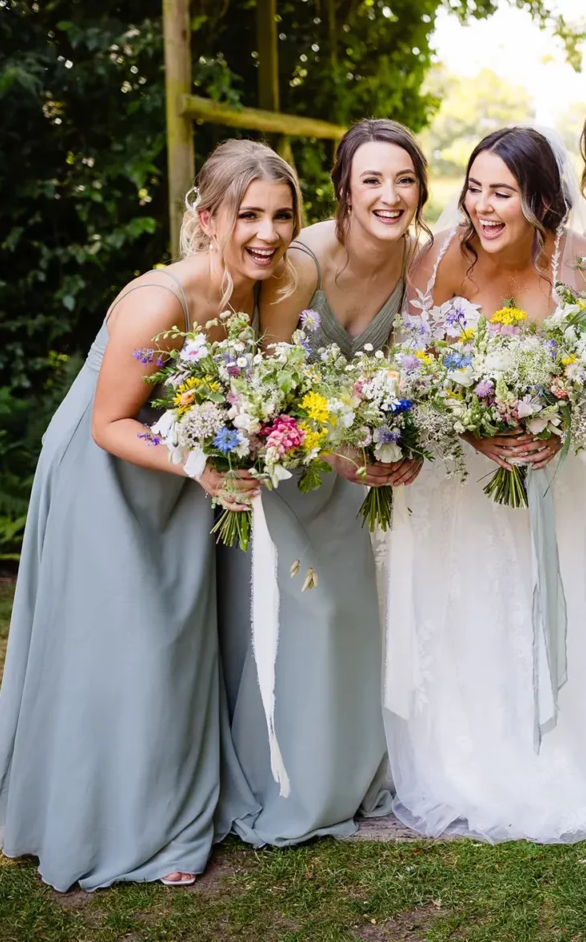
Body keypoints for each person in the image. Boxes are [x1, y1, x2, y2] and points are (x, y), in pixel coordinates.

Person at [0, 139, 299, 890]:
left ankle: (174, 812)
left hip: (183, 475)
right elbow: (109, 424)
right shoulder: (160, 300)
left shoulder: (262, 288)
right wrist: (205, 466)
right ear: (208, 217)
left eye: (283, 216)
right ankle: (109, 825)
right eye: (249, 215)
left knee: (180, 643)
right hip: (108, 475)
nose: (269, 233)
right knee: (126, 645)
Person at [380, 126, 586, 843]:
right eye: (475, 188)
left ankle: (566, 750)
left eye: (503, 193)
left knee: (561, 593)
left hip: (556, 471)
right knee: (475, 608)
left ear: (540, 200)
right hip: (470, 475)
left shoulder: (579, 260)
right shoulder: (445, 258)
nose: (483, 207)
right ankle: (472, 761)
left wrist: (562, 421)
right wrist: (475, 428)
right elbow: (411, 370)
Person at [215, 119, 427, 849]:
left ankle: (353, 774)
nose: (389, 195)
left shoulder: (421, 263)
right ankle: (287, 780)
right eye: (371, 179)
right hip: (293, 462)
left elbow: (417, 371)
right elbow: (271, 384)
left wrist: (409, 441)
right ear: (342, 188)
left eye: (404, 179)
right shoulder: (300, 262)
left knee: (360, 619)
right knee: (309, 617)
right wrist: (340, 455)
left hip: (362, 467)